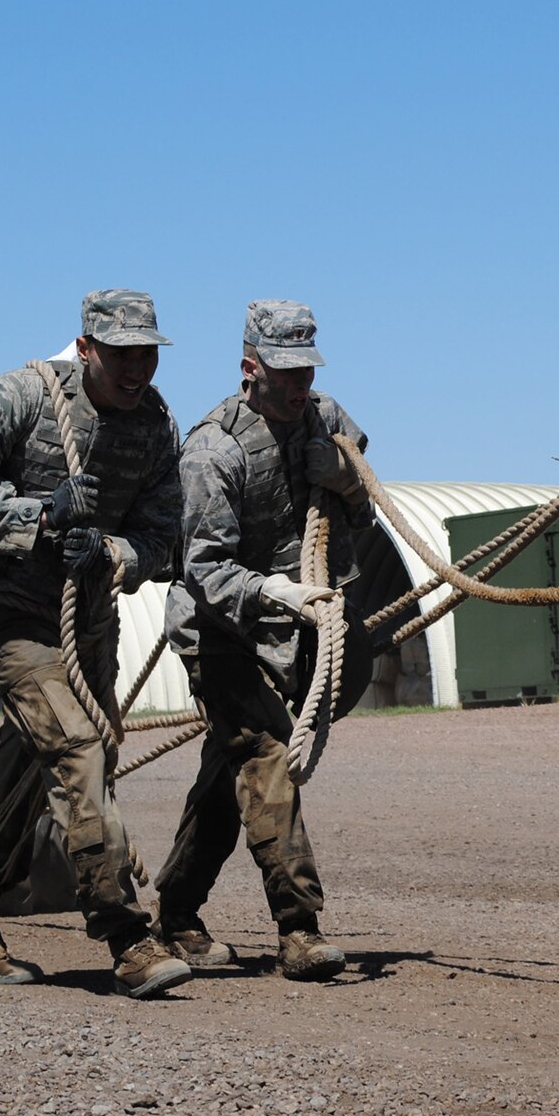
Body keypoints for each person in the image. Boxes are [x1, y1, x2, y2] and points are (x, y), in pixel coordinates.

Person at [0, 289, 191, 999]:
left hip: (88, 620)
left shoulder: (156, 426)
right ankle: (128, 937)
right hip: (12, 613)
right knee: (78, 749)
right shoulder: (20, 395)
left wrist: (108, 551)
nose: (138, 371)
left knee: (26, 779)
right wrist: (39, 514)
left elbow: (163, 539)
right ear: (86, 346)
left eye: (148, 357)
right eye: (123, 356)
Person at [152, 300, 377, 981]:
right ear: (251, 367)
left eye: (306, 368)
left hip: (296, 629)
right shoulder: (213, 448)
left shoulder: (329, 422)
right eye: (284, 371)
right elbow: (205, 568)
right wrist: (275, 592)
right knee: (265, 755)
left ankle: (177, 912)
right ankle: (299, 926)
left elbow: (364, 509)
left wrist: (340, 476)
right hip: (221, 628)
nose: (298, 383)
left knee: (230, 777)